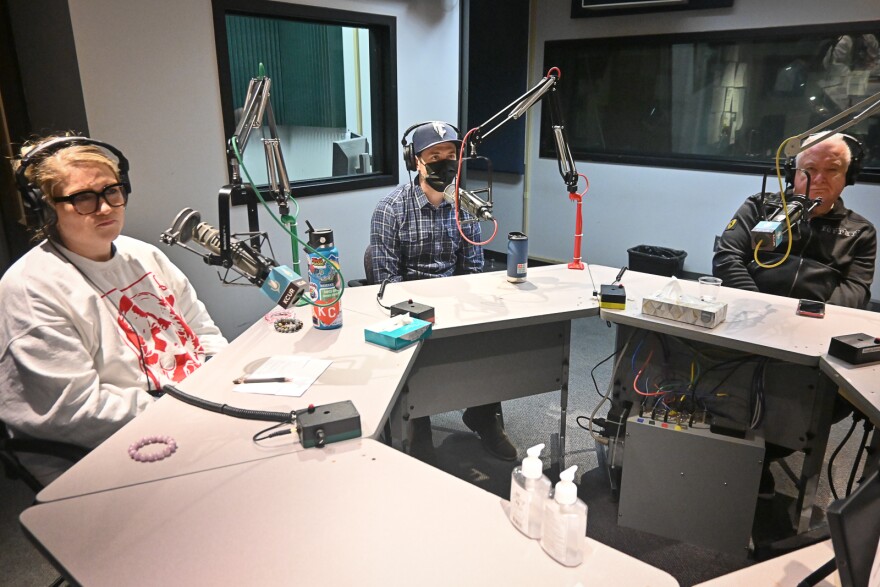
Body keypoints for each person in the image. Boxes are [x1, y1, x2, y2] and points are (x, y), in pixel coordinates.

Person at [0, 136, 228, 485]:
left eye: (112, 191)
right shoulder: (31, 289)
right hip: (106, 453)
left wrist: (226, 389)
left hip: (191, 418)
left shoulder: (144, 255)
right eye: (83, 199)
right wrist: (192, 415)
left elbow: (204, 334)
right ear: (47, 208)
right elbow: (77, 412)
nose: (105, 207)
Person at [713, 131, 877, 498]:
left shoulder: (861, 232)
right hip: (748, 325)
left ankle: (765, 455)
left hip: (810, 340)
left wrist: (801, 325)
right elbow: (727, 257)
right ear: (792, 172)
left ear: (849, 177)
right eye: (809, 170)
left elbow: (855, 292)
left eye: (832, 170)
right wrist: (760, 309)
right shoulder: (759, 207)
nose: (818, 180)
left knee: (820, 405)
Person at [369, 121, 517, 461]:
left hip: (455, 303)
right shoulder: (391, 210)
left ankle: (484, 413)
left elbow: (475, 269)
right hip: (409, 312)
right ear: (416, 161)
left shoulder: (465, 206)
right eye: (434, 156)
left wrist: (468, 308)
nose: (445, 163)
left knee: (493, 335)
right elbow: (385, 282)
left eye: (451, 155)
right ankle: (416, 420)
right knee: (419, 452)